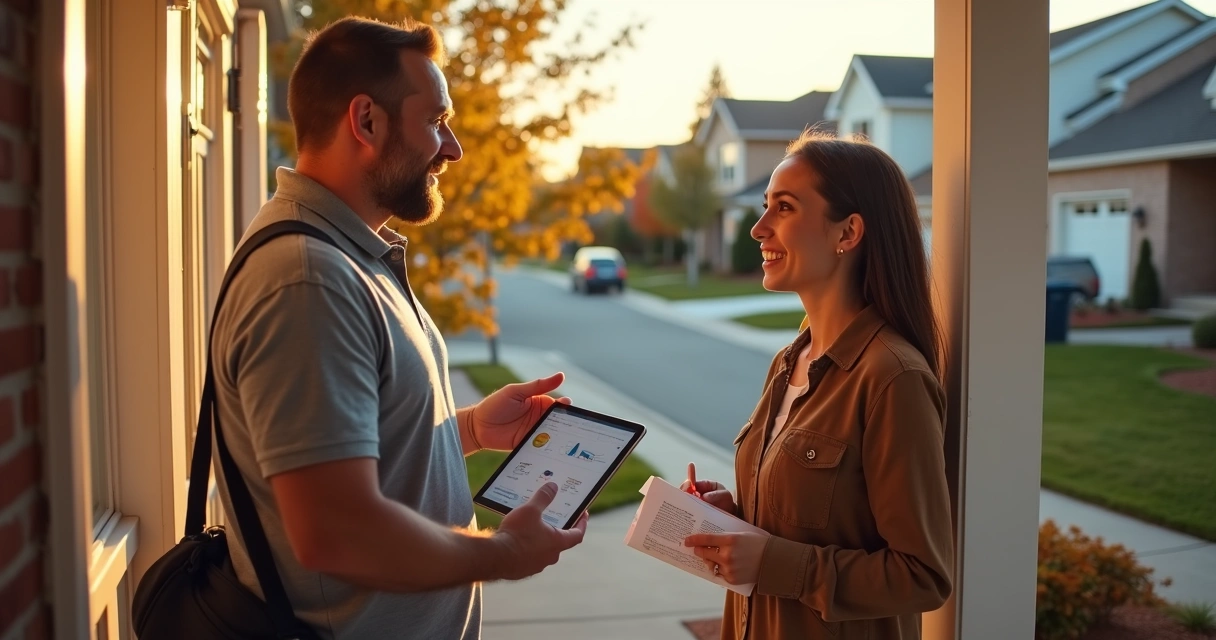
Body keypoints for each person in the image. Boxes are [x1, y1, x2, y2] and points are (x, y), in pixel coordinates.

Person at [209, 16, 586, 640]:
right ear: (367, 122)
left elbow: (353, 457)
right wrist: (503, 554)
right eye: (436, 122)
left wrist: (464, 429)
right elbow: (337, 531)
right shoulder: (309, 279)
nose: (453, 148)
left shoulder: (349, 257)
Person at [681, 131, 954, 639]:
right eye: (765, 206)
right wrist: (737, 519)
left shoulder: (892, 377)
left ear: (847, 232)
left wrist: (772, 563)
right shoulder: (791, 359)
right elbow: (809, 527)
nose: (758, 229)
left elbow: (923, 575)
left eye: (783, 208)